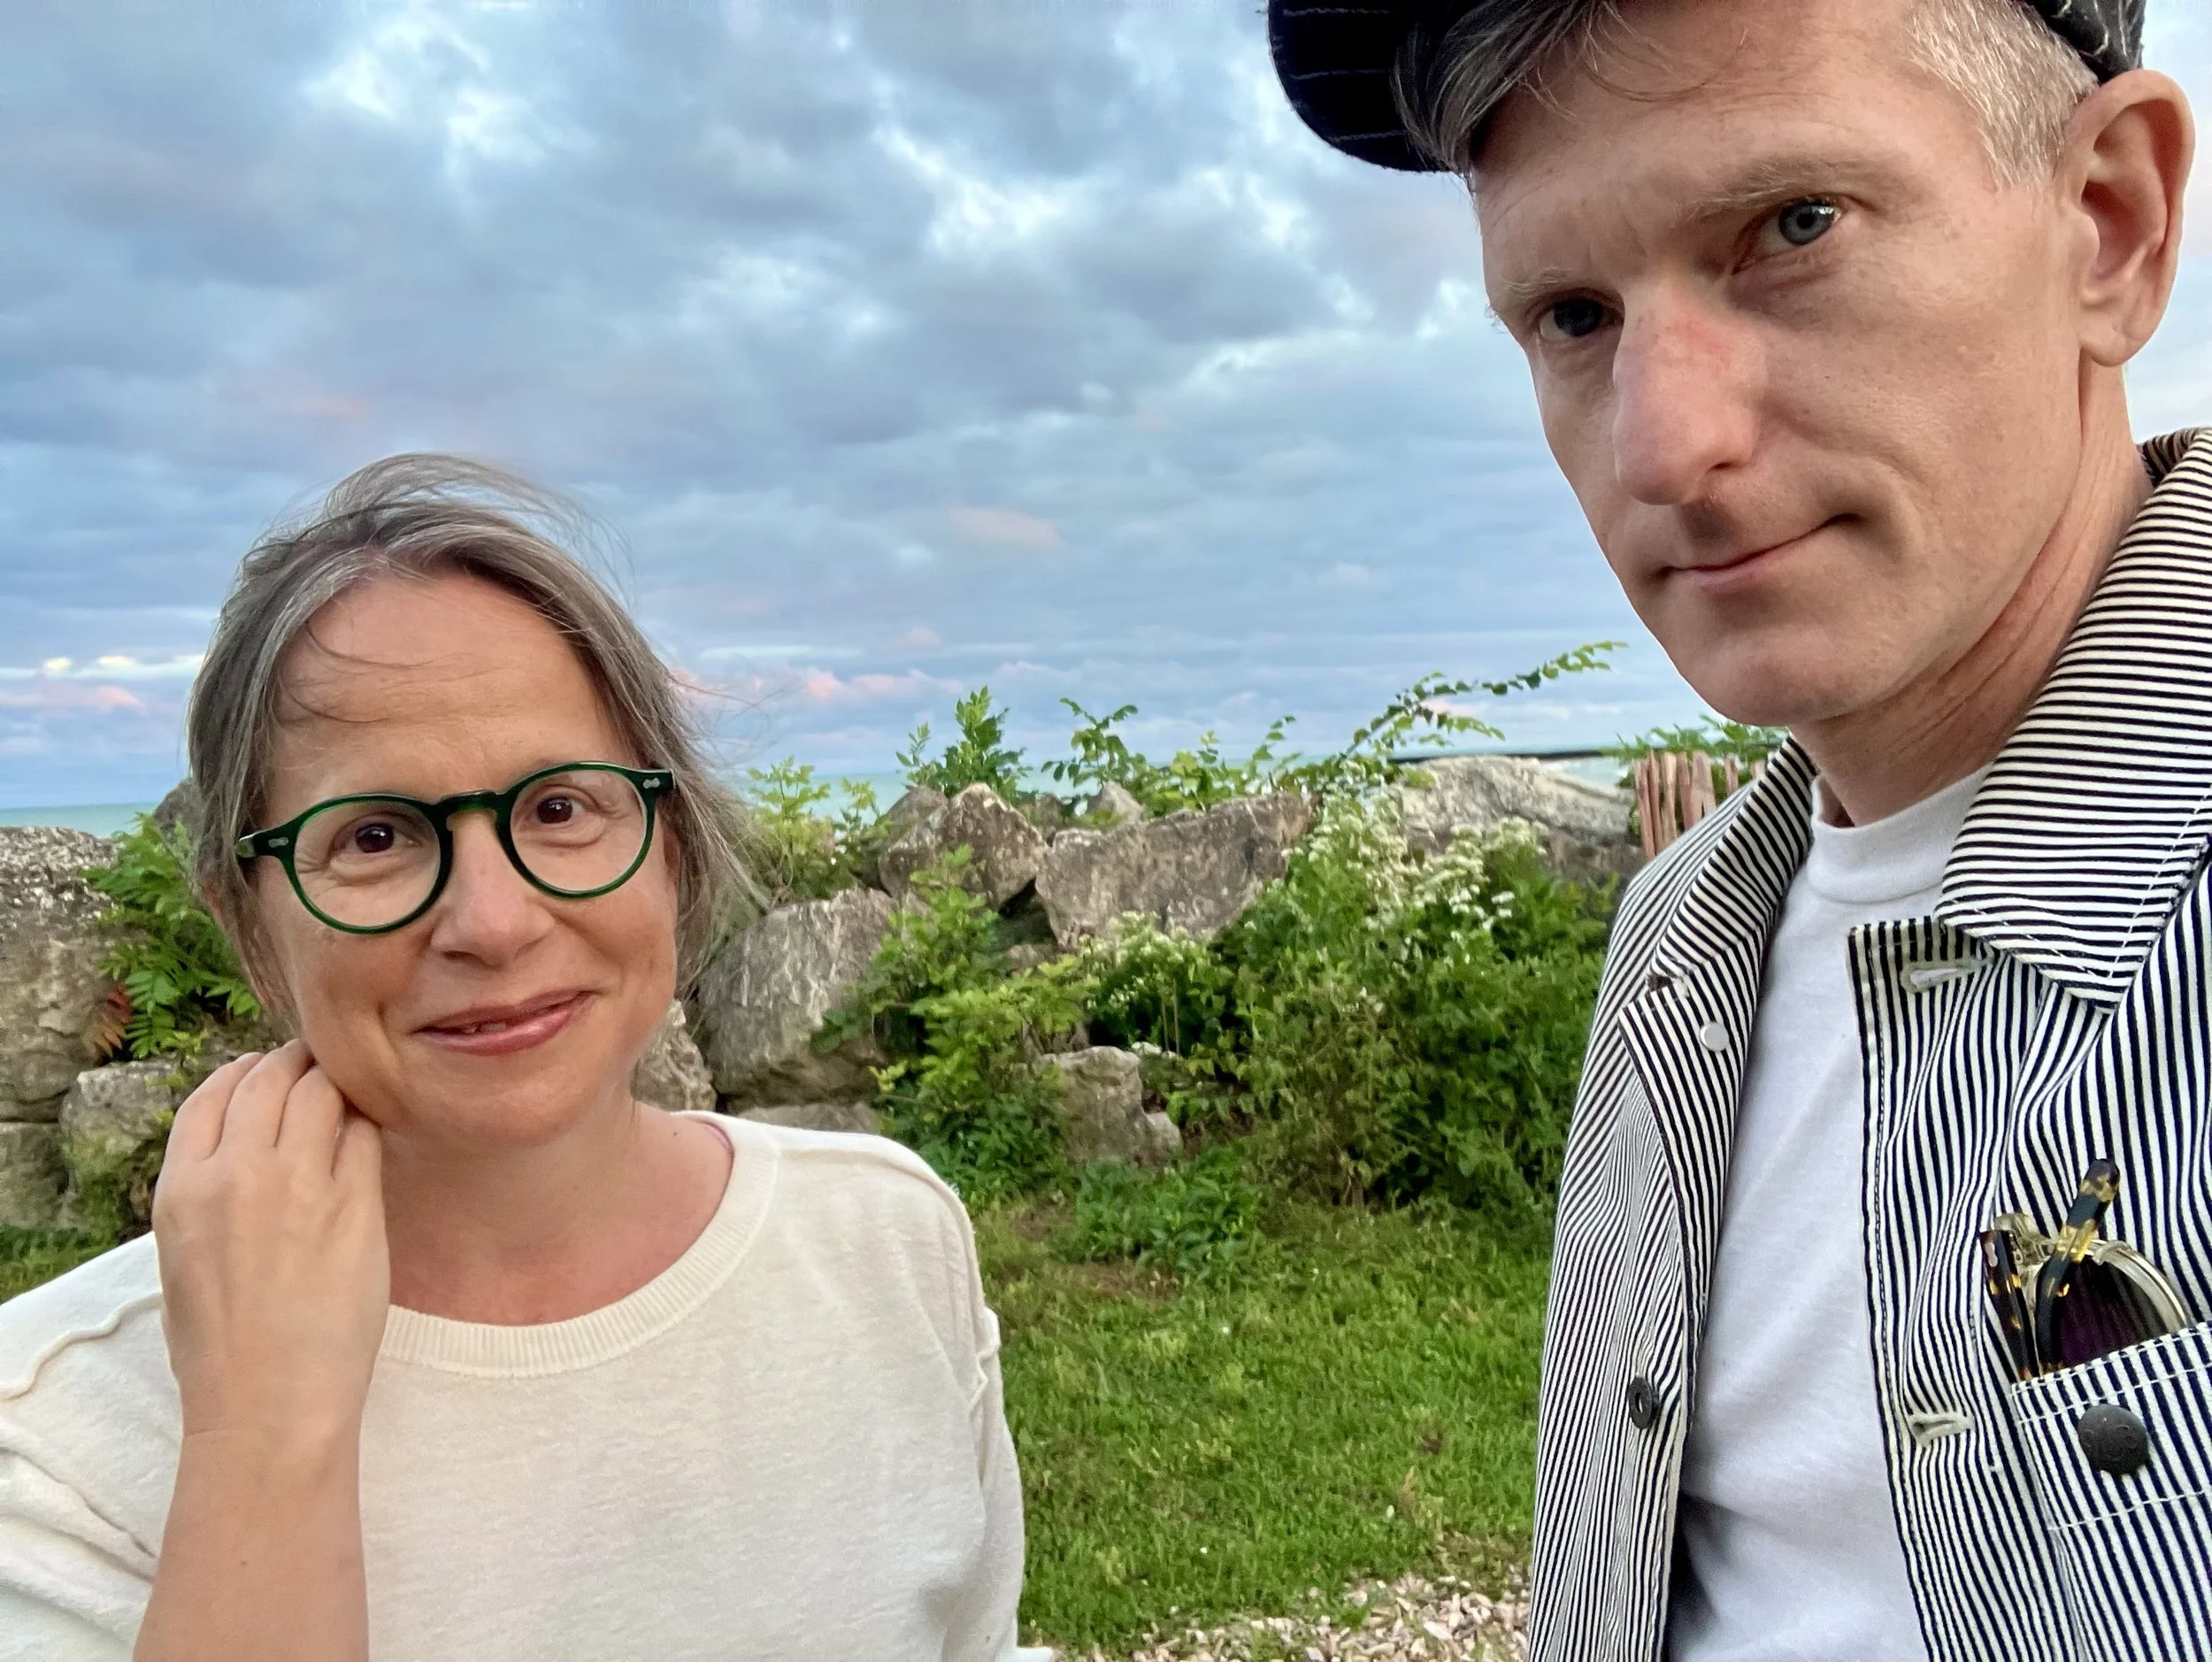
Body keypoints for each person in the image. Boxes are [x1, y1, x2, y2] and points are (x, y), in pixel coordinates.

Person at [1271, 1, 2205, 1659]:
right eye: (1571, 313)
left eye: (1792, 227)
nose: (1665, 445)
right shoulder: (1678, 943)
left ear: (2110, 225)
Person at [0, 457, 1034, 1661]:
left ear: (673, 845)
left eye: (559, 808)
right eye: (377, 835)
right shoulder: (56, 1436)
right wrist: (262, 1436)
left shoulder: (887, 1244)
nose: (493, 921)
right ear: (249, 921)